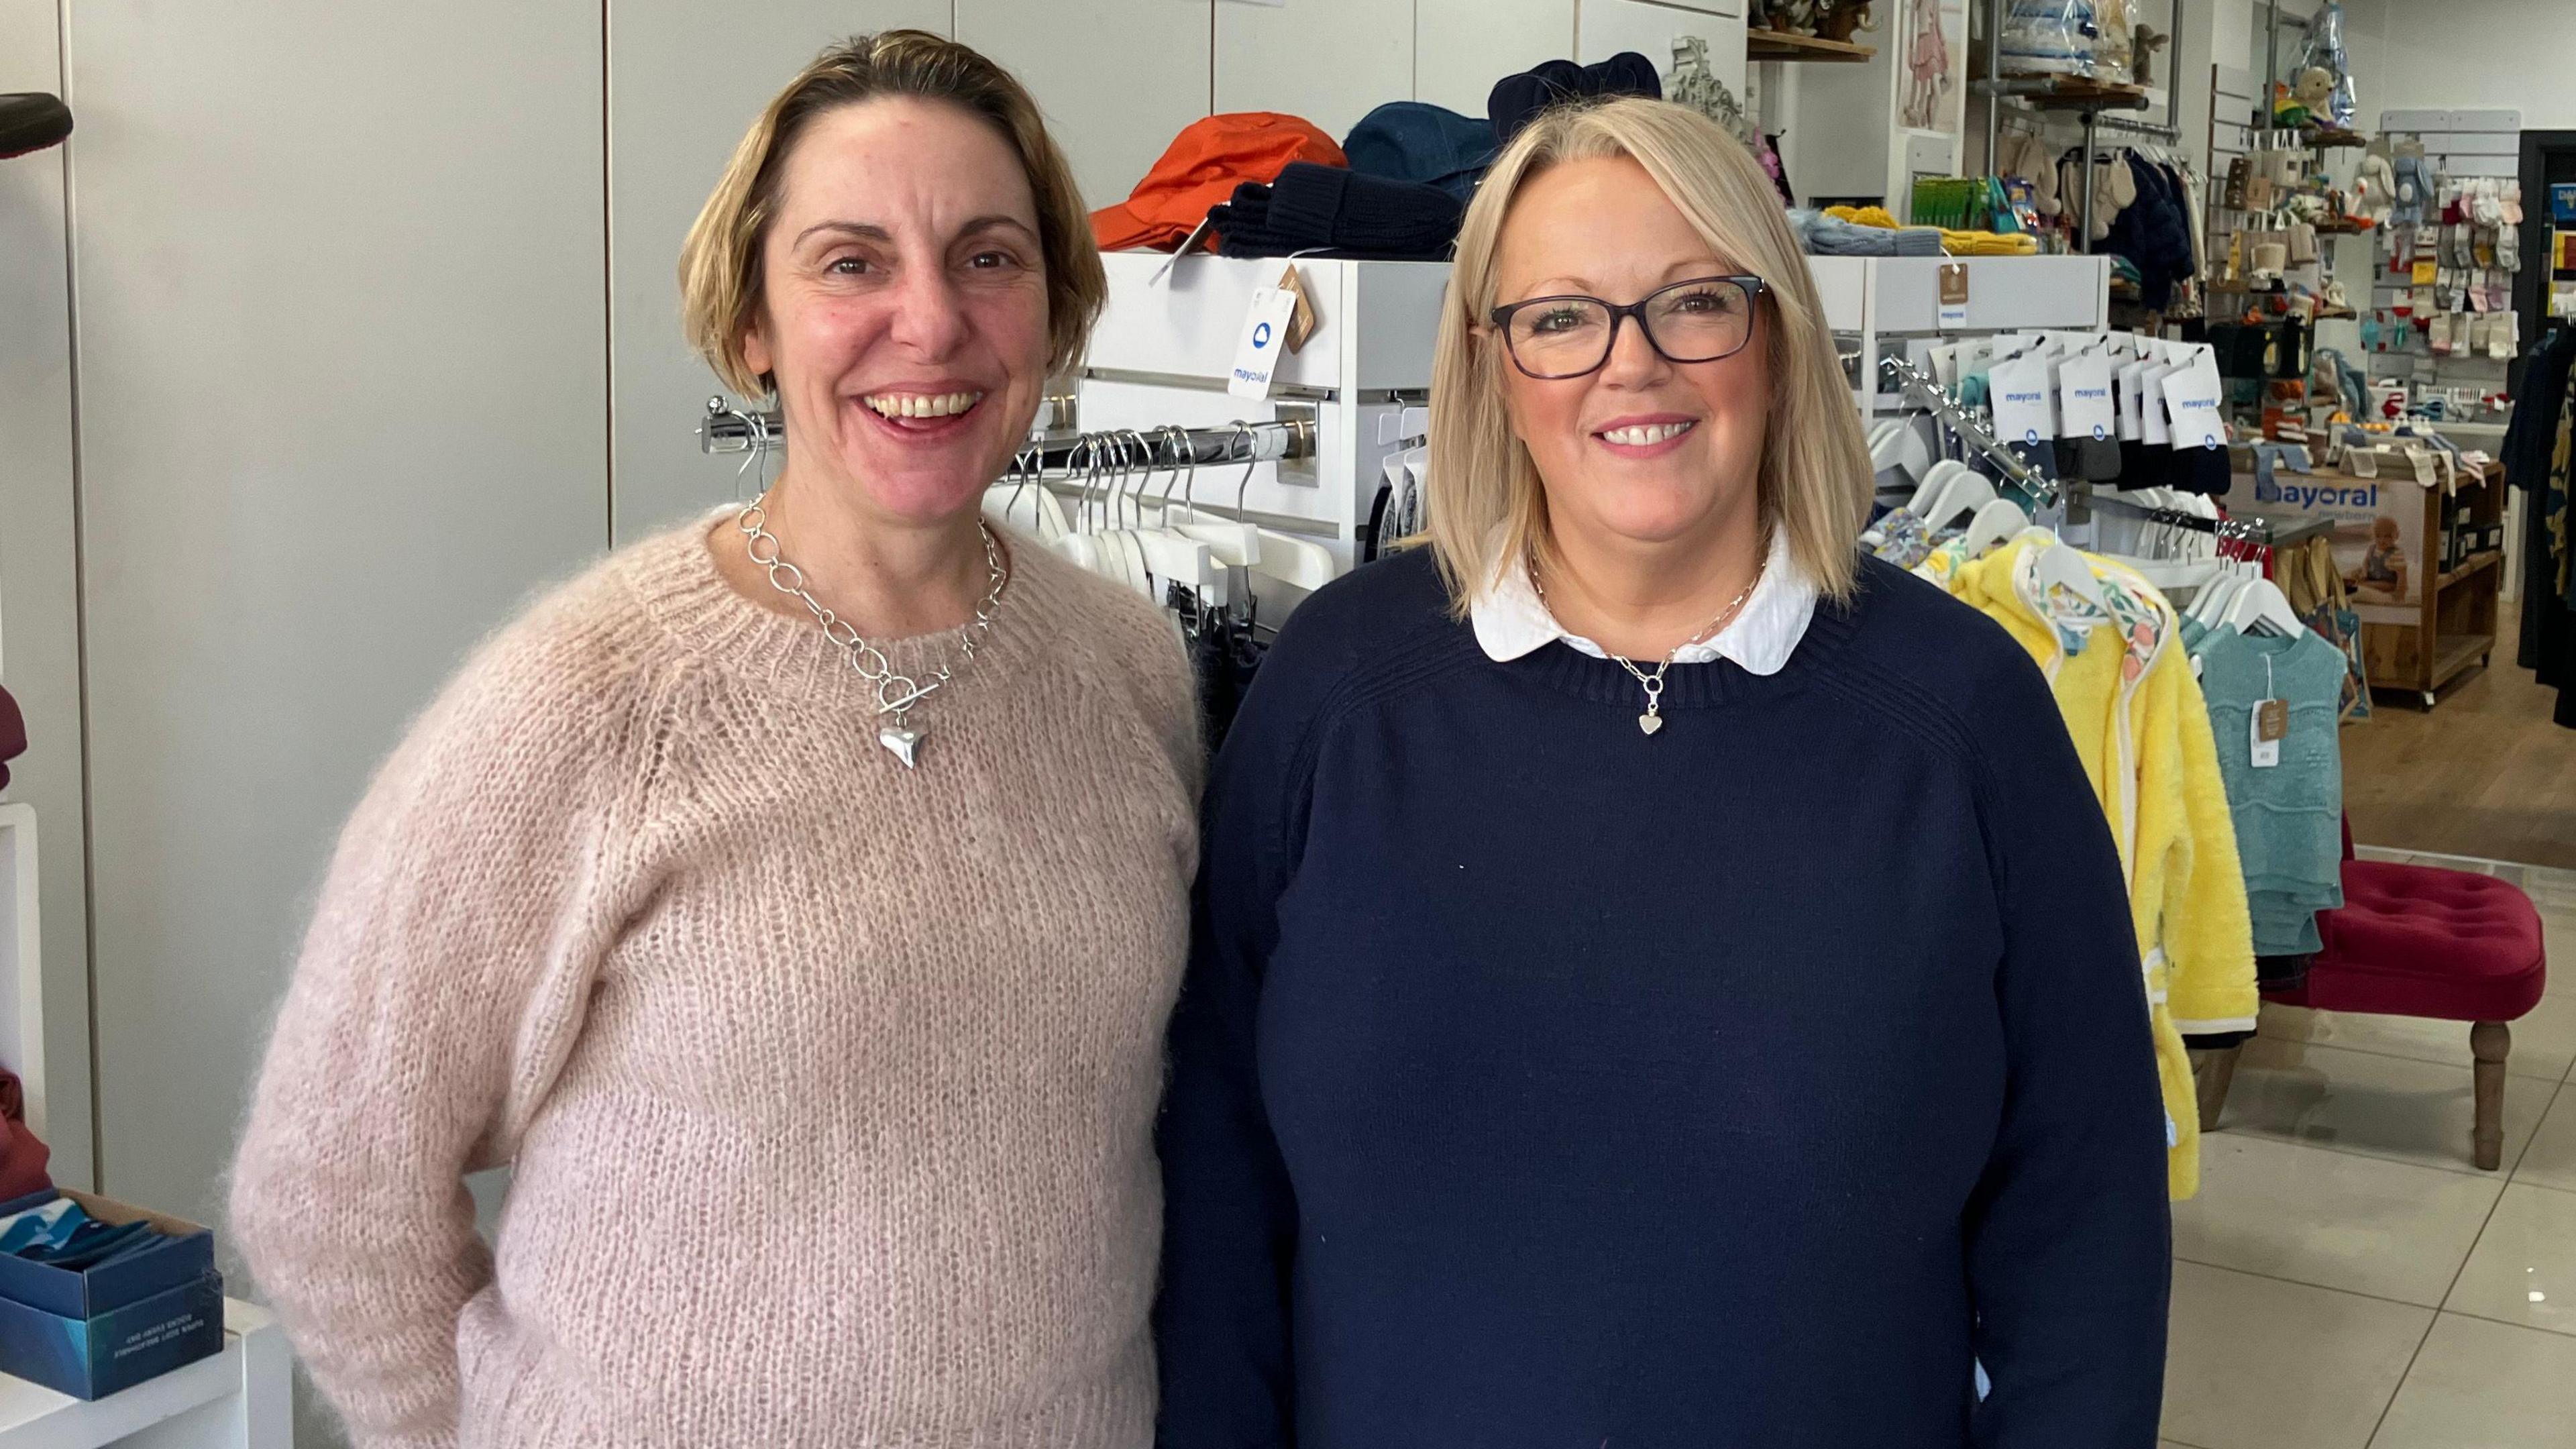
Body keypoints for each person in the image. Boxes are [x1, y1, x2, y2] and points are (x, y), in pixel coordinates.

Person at [1154, 96, 2171, 1448]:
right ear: (1491, 365)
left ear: (1778, 340)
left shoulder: (1965, 718)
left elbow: (2086, 1222)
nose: (1630, 365)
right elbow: (1218, 1186)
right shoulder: (1336, 692)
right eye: (1562, 317)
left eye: (1694, 303)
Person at [230, 32, 1200, 1448]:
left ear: (1054, 308)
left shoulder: (1132, 669)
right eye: (852, 262)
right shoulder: (585, 700)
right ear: (753, 323)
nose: (929, 324)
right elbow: (327, 1191)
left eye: (989, 257)